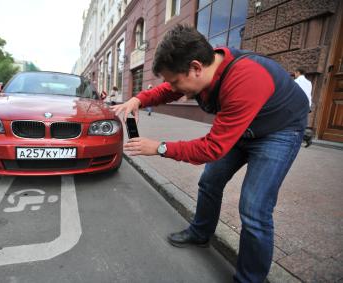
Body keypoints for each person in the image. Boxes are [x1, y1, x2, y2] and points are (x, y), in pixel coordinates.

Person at [112, 24, 309, 283]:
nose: (174, 88)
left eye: (175, 81)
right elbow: (166, 90)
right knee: (210, 180)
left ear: (195, 67)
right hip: (241, 127)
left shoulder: (246, 78)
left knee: (254, 208)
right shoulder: (202, 69)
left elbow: (212, 148)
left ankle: (250, 279)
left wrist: (159, 147)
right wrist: (139, 99)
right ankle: (200, 233)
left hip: (278, 132)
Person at [294, 68, 313, 147]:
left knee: (294, 122)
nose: (294, 75)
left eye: (295, 73)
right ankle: (307, 137)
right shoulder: (309, 82)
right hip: (306, 105)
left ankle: (306, 137)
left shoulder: (296, 81)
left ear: (298, 72)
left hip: (298, 104)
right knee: (301, 123)